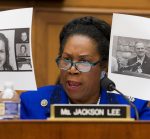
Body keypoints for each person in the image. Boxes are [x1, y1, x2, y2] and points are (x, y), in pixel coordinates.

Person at [20, 16, 150, 120]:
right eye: (66, 59)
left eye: (83, 62)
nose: (72, 70)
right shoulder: (31, 104)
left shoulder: (133, 109)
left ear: (103, 65)